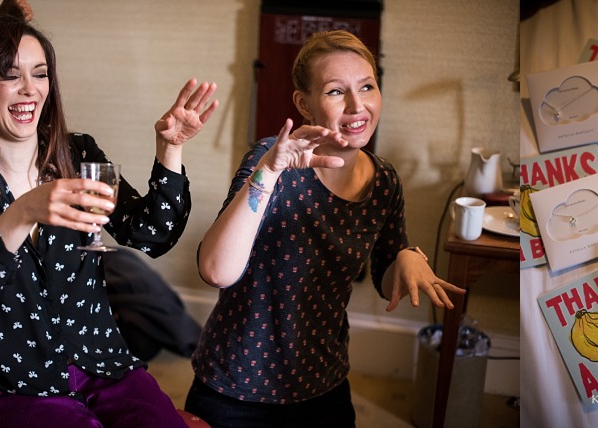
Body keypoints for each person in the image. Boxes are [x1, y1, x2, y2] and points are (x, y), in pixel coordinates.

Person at [0, 11, 217, 427]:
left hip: (102, 364)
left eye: (40, 74)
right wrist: (24, 210)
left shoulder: (77, 154)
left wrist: (170, 150)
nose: (30, 90)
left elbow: (152, 235)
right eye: (10, 75)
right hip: (11, 381)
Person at [187, 30, 465, 427]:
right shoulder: (273, 159)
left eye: (367, 87)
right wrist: (268, 171)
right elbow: (215, 270)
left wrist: (406, 256)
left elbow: (387, 282)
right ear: (305, 103)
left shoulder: (384, 181)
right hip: (236, 386)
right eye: (336, 91)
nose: (358, 106)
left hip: (322, 383)